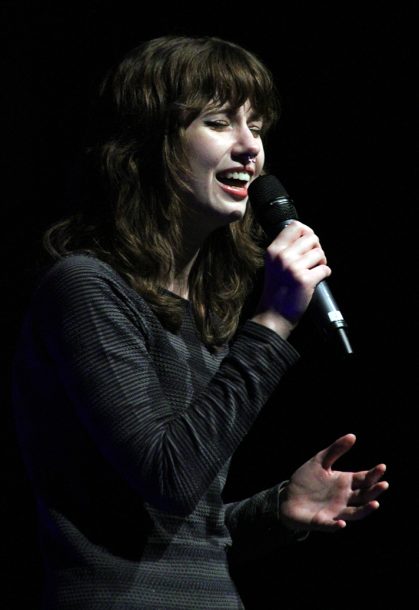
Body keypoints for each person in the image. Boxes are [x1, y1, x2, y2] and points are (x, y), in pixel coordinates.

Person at [12, 35, 388, 609]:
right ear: (148, 142)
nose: (249, 150)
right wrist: (276, 320)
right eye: (218, 122)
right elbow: (168, 479)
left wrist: (280, 509)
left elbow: (174, 534)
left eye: (256, 127)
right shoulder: (86, 288)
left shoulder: (200, 307)